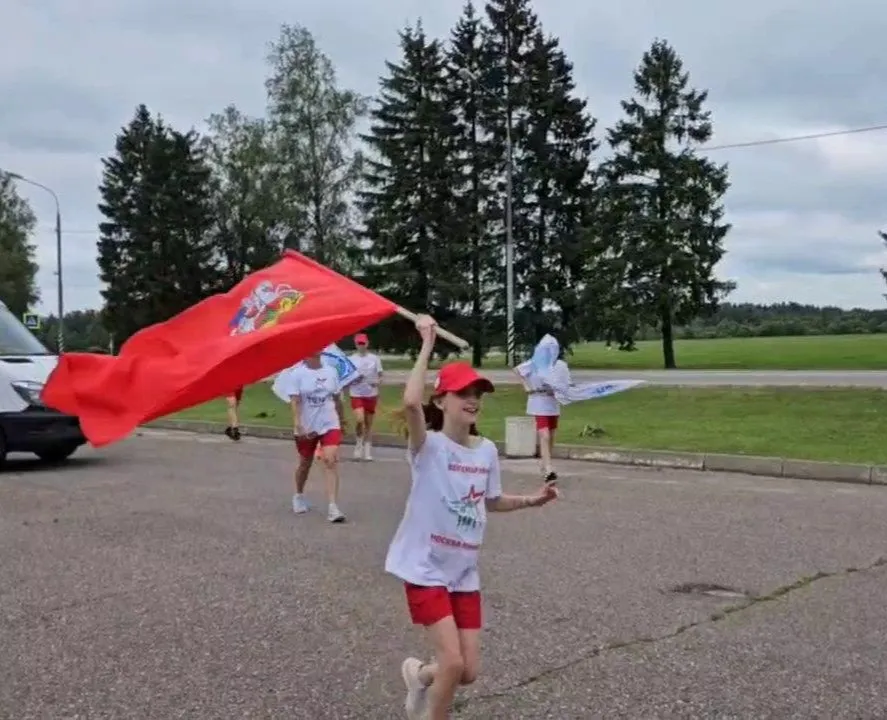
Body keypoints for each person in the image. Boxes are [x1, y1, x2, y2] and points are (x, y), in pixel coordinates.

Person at [386, 315, 559, 720]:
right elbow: (411, 402)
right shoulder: (428, 448)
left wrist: (533, 500)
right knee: (453, 663)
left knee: (469, 671)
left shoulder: (486, 452)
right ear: (441, 399)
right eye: (463, 391)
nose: (473, 399)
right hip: (425, 567)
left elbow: (491, 501)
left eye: (478, 392)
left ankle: (418, 676)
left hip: (463, 572)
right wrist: (426, 342)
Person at [278, 353, 347, 523]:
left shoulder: (331, 371)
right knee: (305, 462)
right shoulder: (297, 374)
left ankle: (333, 507)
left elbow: (337, 399)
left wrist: (342, 419)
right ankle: (299, 495)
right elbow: (294, 401)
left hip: (329, 422)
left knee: (330, 460)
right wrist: (297, 423)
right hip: (307, 425)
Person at [514, 334, 570, 483]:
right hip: (538, 401)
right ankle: (549, 469)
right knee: (544, 435)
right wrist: (526, 385)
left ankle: (545, 463)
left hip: (552, 402)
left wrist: (561, 390)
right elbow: (518, 370)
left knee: (551, 435)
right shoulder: (533, 364)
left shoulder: (559, 366)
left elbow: (566, 384)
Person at [348, 333, 384, 461]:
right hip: (356, 393)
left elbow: (380, 375)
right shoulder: (351, 359)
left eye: (363, 343)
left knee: (368, 424)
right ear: (356, 344)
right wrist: (354, 379)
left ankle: (367, 450)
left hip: (371, 393)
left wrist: (377, 382)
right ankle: (358, 445)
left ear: (367, 344)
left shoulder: (374, 359)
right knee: (359, 419)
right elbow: (346, 378)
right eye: (359, 344)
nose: (361, 346)